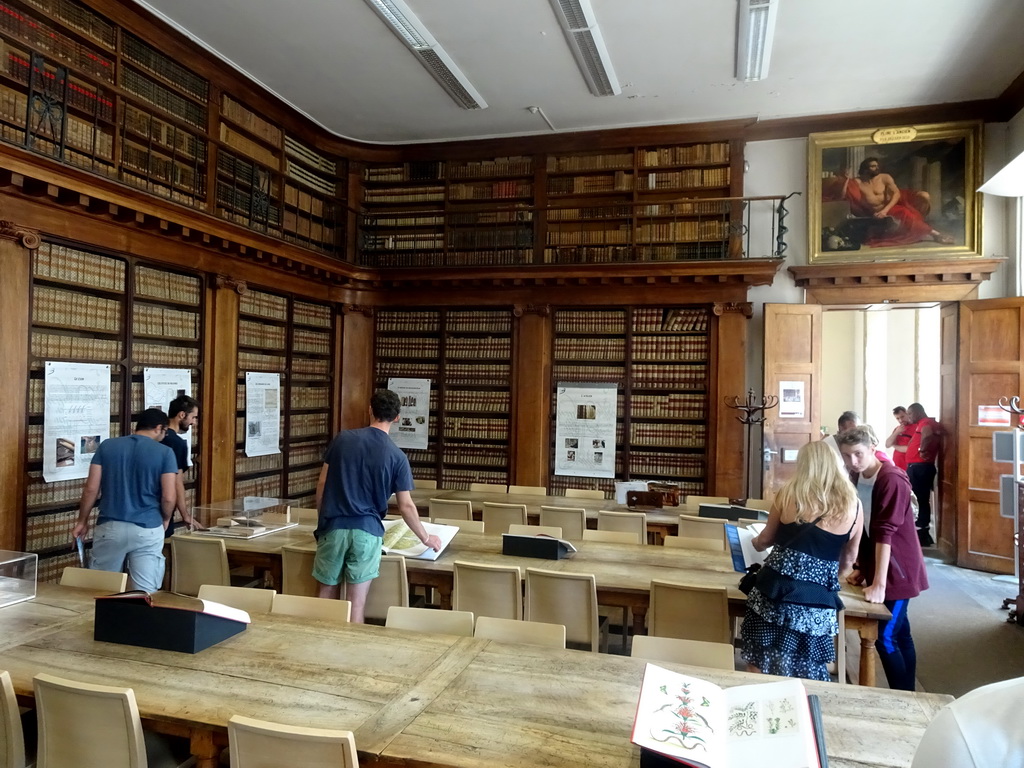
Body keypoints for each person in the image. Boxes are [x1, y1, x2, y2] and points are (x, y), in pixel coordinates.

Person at [314, 389, 442, 623]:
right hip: (367, 533)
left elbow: (322, 484)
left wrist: (323, 521)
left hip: (333, 528)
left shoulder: (342, 440)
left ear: (370, 410)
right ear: (397, 417)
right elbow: (406, 506)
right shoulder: (397, 457)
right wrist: (426, 538)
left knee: (324, 601)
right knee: (356, 607)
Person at [740, 441, 862, 681]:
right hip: (818, 601)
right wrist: (825, 580)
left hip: (773, 591)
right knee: (808, 663)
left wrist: (753, 543)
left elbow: (765, 539)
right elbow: (850, 558)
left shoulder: (788, 494)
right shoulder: (854, 505)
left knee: (759, 659)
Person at [838, 426, 928, 691]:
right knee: (900, 633)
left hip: (898, 571)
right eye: (846, 456)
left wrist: (880, 584)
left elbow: (884, 533)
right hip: (880, 567)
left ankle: (902, 698)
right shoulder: (857, 478)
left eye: (858, 454)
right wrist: (863, 569)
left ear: (872, 448)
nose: (852, 462)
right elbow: (865, 528)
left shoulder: (891, 478)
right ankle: (909, 695)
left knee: (885, 637)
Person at [71, 408, 178, 593]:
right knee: (145, 592)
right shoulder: (165, 453)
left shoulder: (107, 446)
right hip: (148, 528)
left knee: (100, 589)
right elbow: (168, 497)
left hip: (110, 526)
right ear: (159, 428)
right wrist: (166, 518)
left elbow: (91, 489)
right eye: (165, 431)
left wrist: (82, 521)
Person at [833, 157, 954, 247]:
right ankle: (929, 233)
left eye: (876, 165)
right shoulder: (858, 182)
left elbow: (896, 194)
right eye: (872, 166)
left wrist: (885, 211)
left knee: (906, 213)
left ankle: (936, 234)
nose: (876, 168)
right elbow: (843, 195)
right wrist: (846, 179)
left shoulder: (885, 177)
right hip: (874, 213)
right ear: (865, 168)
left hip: (890, 207)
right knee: (902, 218)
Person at [910, 676, 1024, 768]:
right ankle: (906, 688)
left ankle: (904, 689)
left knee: (893, 649)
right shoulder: (961, 737)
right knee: (902, 648)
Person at [161, 394, 206, 534]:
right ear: (182, 415)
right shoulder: (177, 443)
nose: (194, 422)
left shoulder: (156, 437)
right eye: (193, 417)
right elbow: (177, 481)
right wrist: (185, 514)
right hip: (162, 509)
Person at [905, 402, 943, 547]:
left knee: (918, 498)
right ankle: (921, 528)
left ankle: (921, 529)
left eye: (910, 413)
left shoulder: (925, 422)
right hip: (918, 466)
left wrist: (922, 450)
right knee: (920, 498)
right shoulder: (924, 422)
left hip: (919, 467)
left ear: (917, 412)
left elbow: (927, 434)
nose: (909, 417)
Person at [885, 406, 914, 472]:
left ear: (907, 413)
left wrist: (894, 446)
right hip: (897, 465)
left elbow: (909, 449)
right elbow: (887, 445)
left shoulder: (915, 427)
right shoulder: (897, 429)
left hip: (909, 465)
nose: (900, 420)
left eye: (902, 417)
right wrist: (896, 432)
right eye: (897, 418)